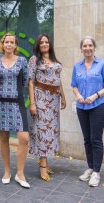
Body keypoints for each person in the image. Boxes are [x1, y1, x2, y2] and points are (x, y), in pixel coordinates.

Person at [71, 36, 104, 187]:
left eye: (90, 45)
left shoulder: (102, 64)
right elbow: (74, 85)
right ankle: (90, 167)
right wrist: (78, 96)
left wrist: (96, 95)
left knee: (96, 139)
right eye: (84, 46)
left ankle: (96, 172)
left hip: (98, 107)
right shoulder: (77, 66)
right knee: (87, 139)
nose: (87, 48)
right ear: (81, 49)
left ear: (94, 47)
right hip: (82, 107)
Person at [0, 33, 30, 188]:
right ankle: (7, 171)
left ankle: (20, 173)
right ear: (2, 44)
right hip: (1, 104)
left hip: (17, 103)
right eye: (7, 42)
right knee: (4, 139)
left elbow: (25, 80)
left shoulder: (22, 61)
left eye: (12, 42)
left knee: (24, 138)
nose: (9, 44)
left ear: (15, 45)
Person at [28, 34, 66, 182]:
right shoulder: (34, 60)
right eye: (41, 42)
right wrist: (32, 103)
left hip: (54, 99)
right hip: (41, 99)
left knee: (51, 131)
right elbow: (31, 82)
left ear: (50, 44)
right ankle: (42, 165)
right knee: (42, 131)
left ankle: (45, 161)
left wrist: (63, 96)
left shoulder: (55, 61)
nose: (44, 44)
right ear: (38, 45)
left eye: (46, 42)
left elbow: (58, 80)